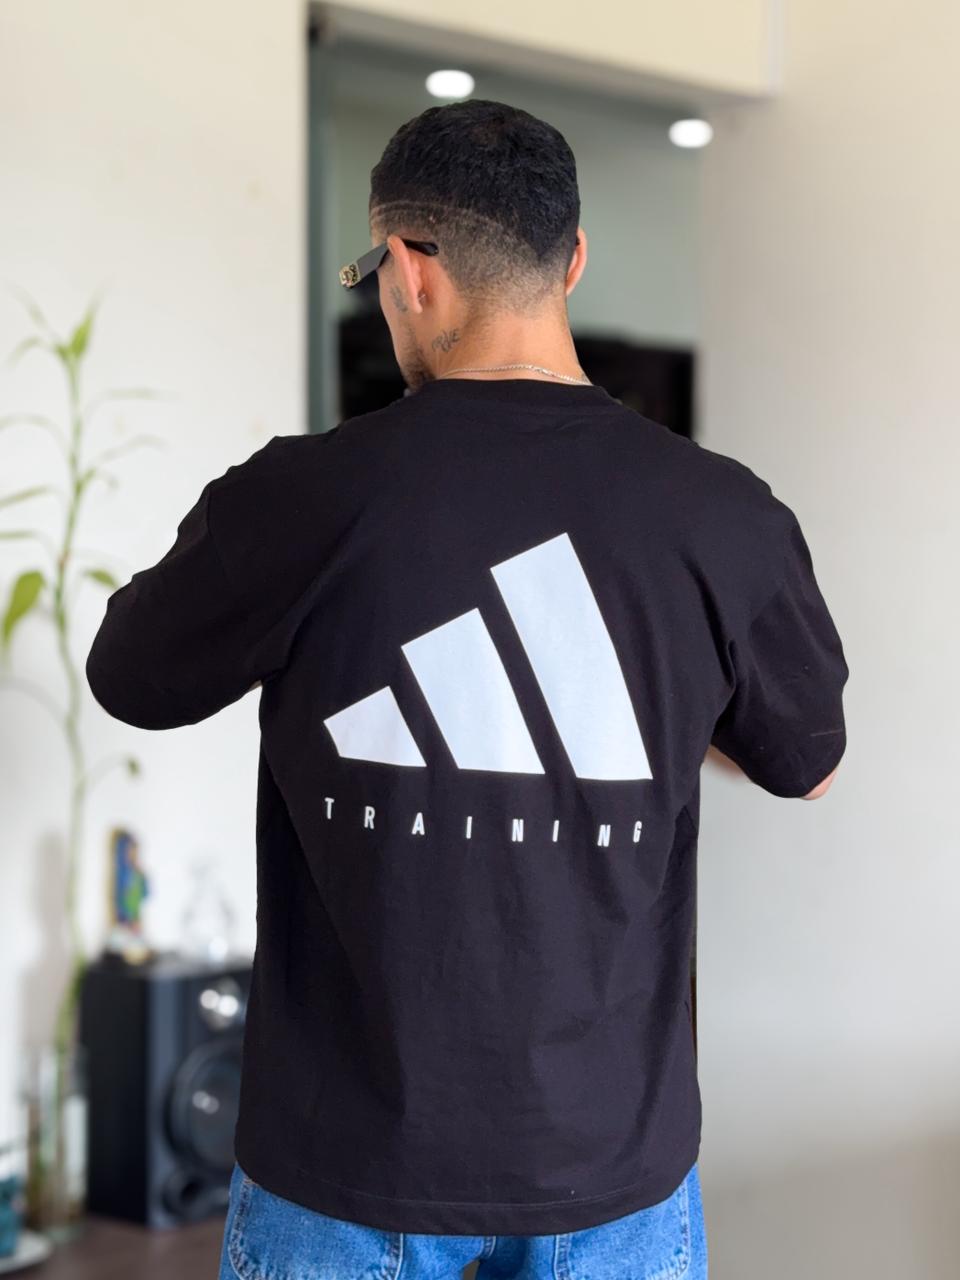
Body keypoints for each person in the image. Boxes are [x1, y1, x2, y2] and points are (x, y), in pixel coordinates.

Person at [85, 99, 848, 1279]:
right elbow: (809, 762)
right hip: (614, 1171)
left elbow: (131, 676)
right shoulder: (722, 515)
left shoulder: (301, 498)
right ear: (573, 259)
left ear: (407, 268)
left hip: (343, 1172)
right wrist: (643, 691)